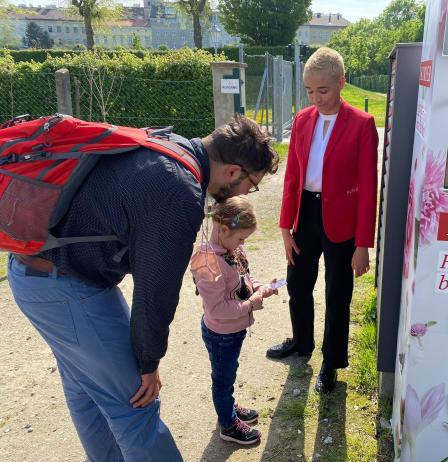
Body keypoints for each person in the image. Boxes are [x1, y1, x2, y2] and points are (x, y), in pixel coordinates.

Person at [7, 115, 279, 461]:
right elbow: (155, 293)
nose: (245, 194)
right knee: (136, 402)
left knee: (88, 392)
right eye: (250, 185)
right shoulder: (180, 192)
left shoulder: (171, 146)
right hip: (64, 287)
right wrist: (147, 363)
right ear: (232, 171)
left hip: (35, 272)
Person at [267, 47, 378, 393]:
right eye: (310, 91)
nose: (316, 98)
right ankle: (302, 343)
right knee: (298, 284)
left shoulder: (361, 125)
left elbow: (368, 188)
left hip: (342, 221)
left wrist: (363, 245)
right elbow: (292, 177)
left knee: (337, 292)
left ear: (341, 83)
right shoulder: (302, 121)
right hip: (306, 214)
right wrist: (286, 228)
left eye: (323, 90)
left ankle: (332, 360)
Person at [191, 196, 278, 445]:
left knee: (228, 373)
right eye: (241, 238)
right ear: (224, 229)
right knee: (222, 378)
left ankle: (227, 406)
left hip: (233, 330)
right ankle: (228, 424)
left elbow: (242, 282)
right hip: (222, 334)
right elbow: (217, 308)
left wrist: (262, 287)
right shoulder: (207, 261)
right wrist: (250, 304)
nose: (242, 244)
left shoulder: (231, 248)